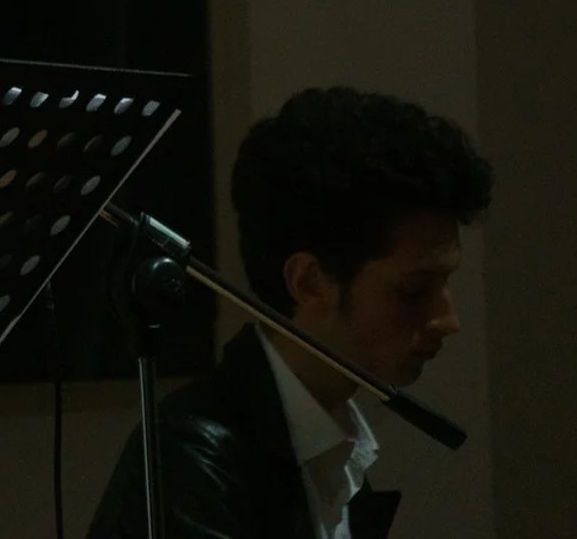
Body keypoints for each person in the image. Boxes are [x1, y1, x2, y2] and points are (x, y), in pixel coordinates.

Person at [86, 86, 493, 539]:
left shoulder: (331, 435)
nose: (449, 321)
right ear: (309, 283)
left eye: (446, 282)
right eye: (414, 292)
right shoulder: (194, 462)